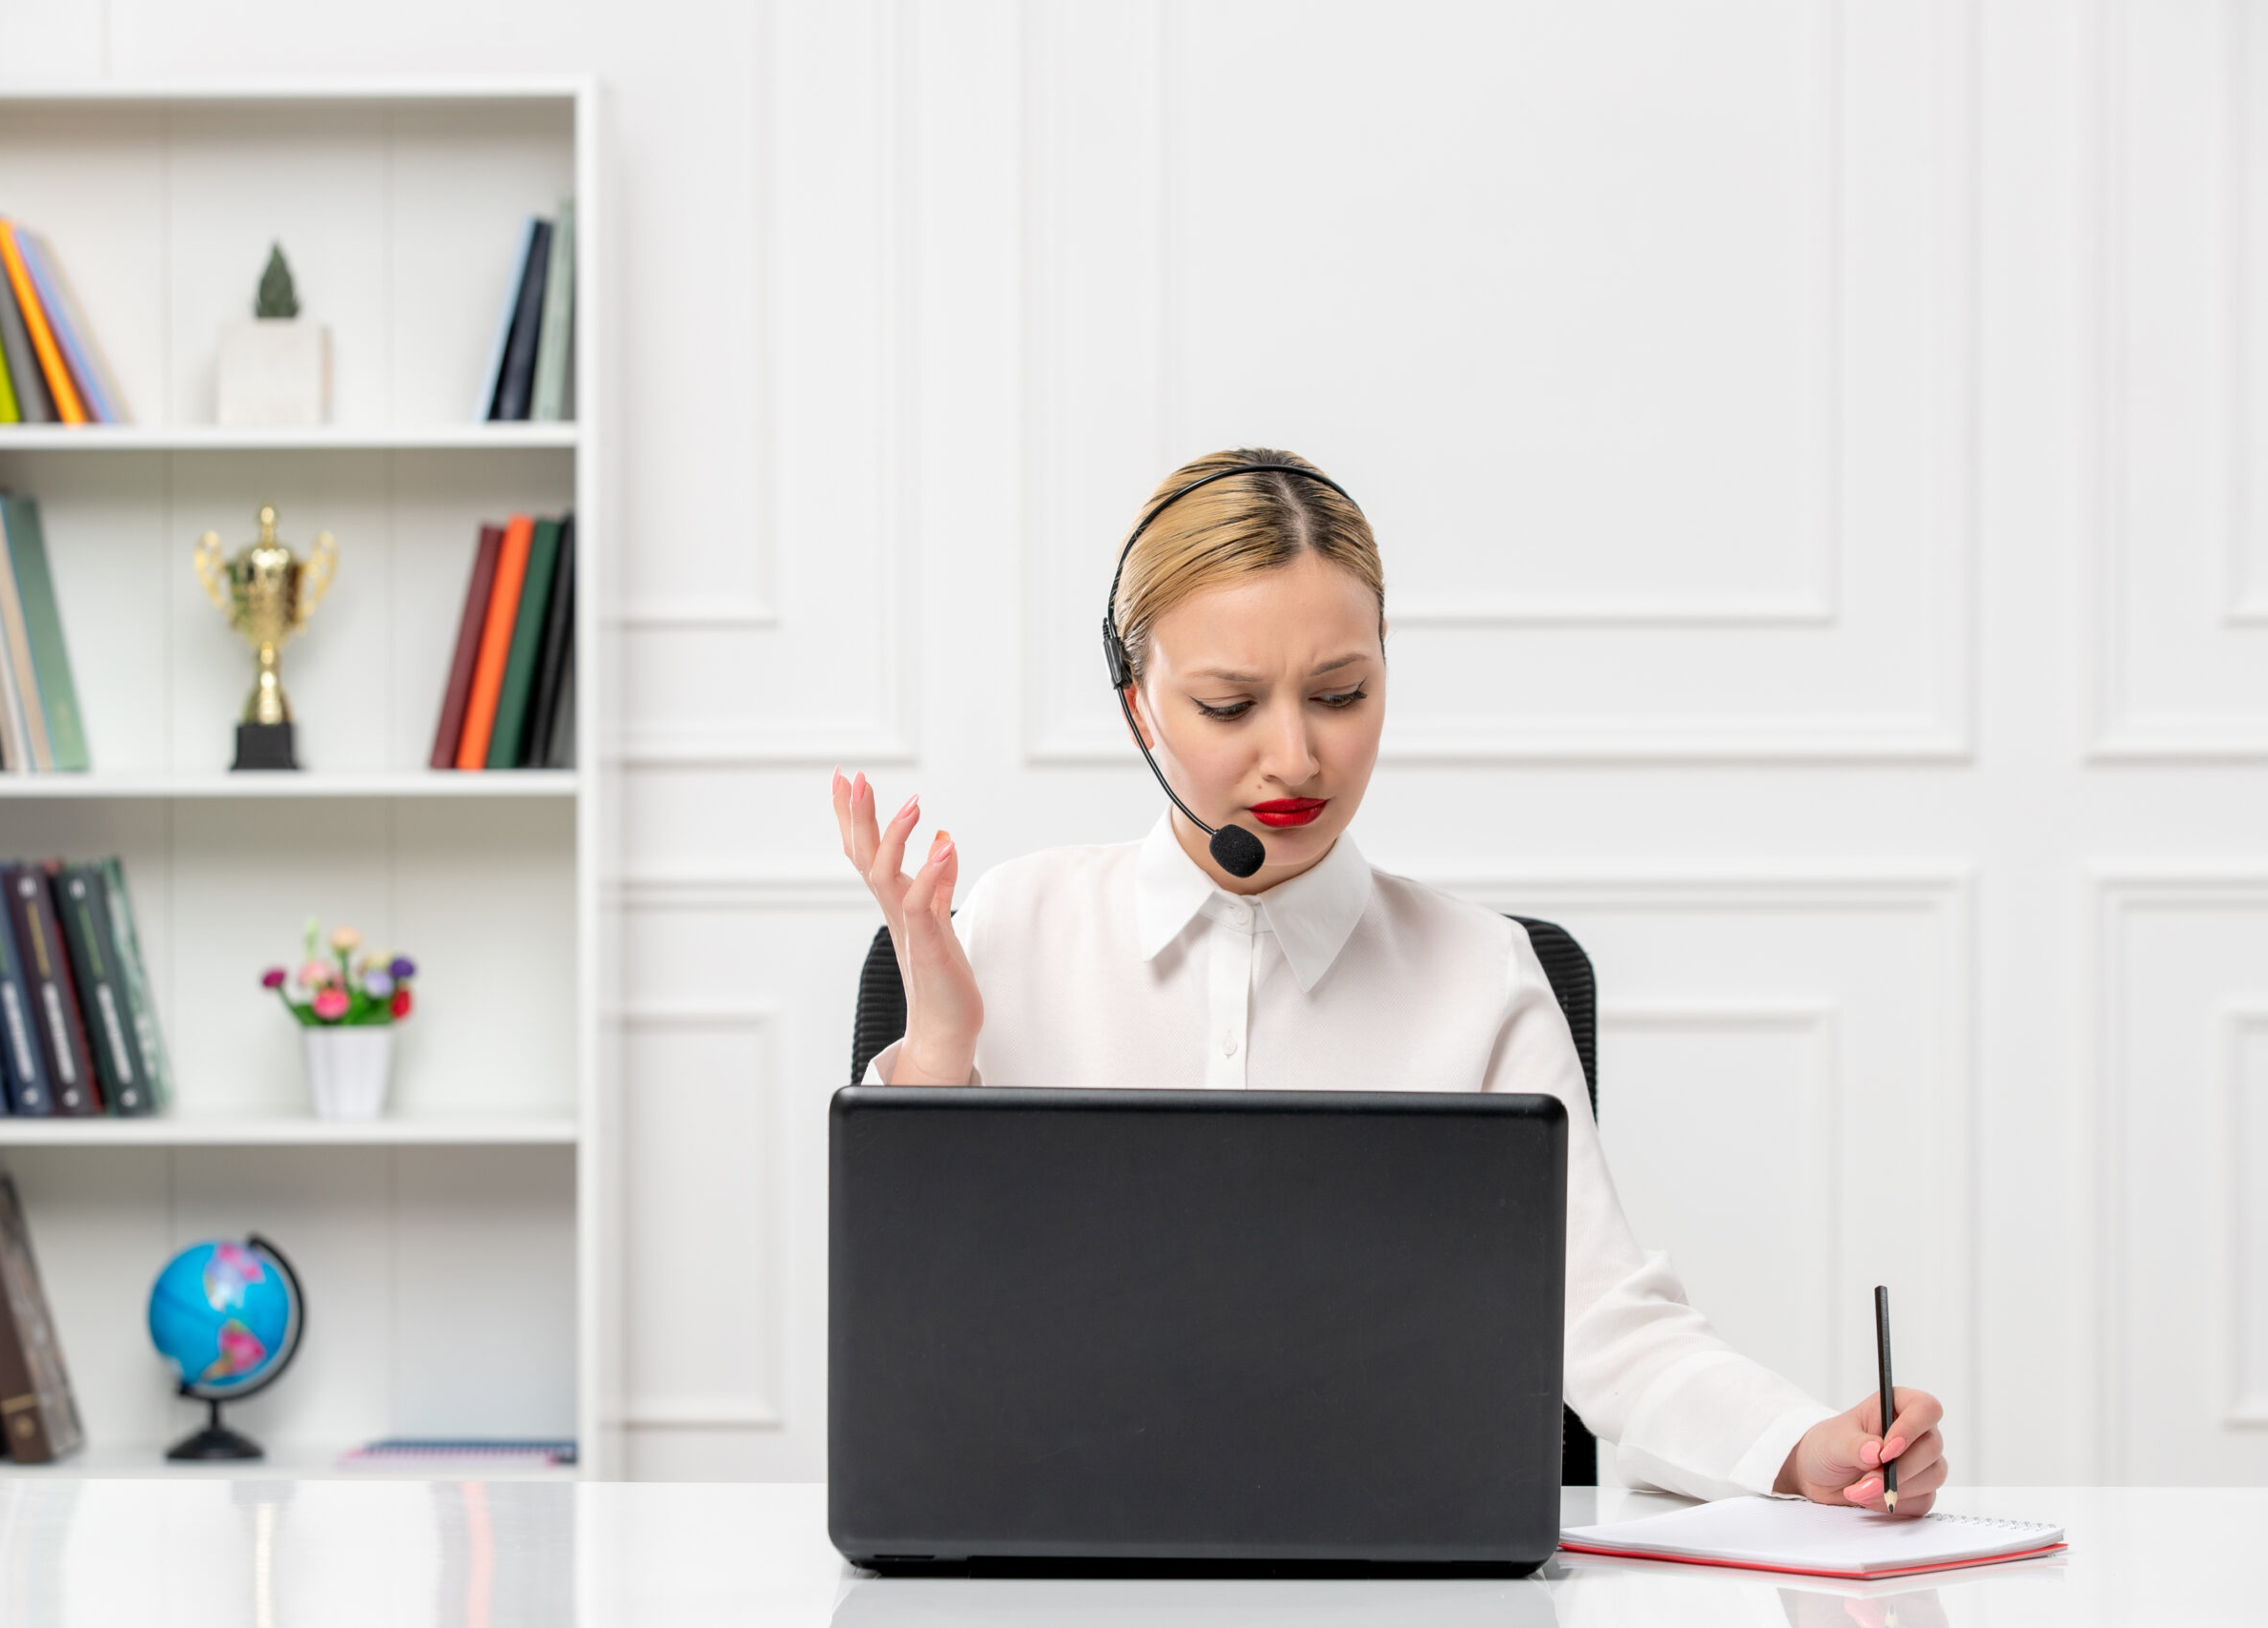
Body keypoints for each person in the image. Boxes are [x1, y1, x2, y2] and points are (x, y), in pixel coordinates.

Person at [827, 447, 1948, 1511]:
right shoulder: (1013, 928)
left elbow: (1602, 1321)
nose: (1297, 759)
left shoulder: (1480, 970)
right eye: (1228, 705)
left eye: (1339, 694)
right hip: (1039, 1560)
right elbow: (918, 1341)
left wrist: (1802, 1451)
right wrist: (938, 1059)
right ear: (1137, 706)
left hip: (1399, 1577)